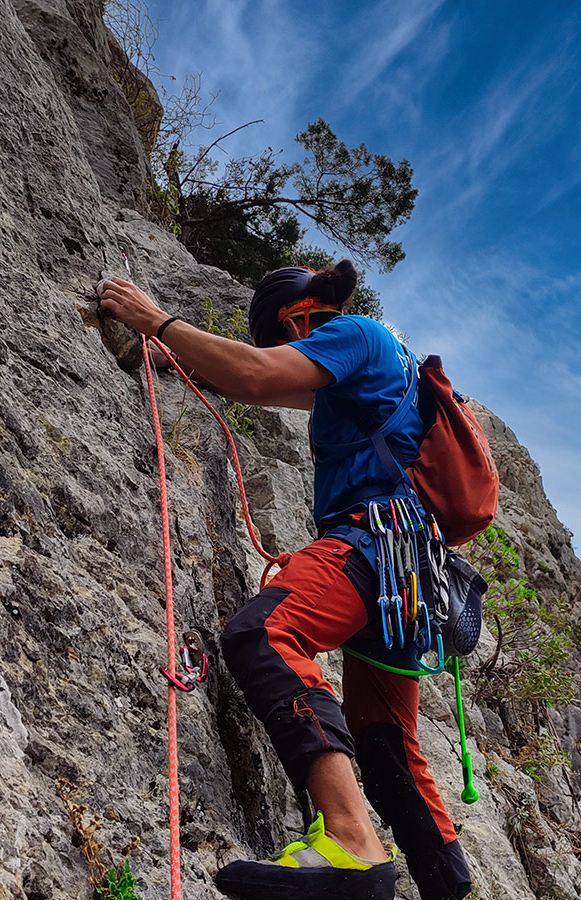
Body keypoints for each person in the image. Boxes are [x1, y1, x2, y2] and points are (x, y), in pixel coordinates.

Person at [98, 261, 472, 900]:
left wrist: (152, 317)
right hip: (407, 577)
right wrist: (164, 358)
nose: (289, 352)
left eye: (284, 340)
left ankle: (352, 838)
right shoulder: (375, 370)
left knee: (263, 633)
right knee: (384, 748)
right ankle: (449, 885)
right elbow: (254, 384)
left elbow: (254, 373)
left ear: (294, 320)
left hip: (374, 543)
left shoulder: (357, 334)